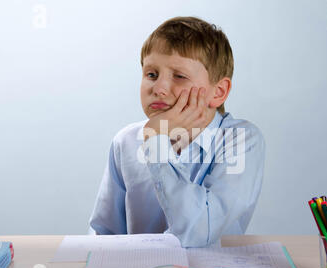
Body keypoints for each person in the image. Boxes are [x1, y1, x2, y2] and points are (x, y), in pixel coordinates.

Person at [88, 16, 266, 247]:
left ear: (218, 92)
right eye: (151, 74)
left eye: (179, 76)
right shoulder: (126, 142)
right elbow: (105, 234)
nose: (159, 88)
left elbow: (198, 232)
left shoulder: (239, 140)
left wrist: (157, 143)